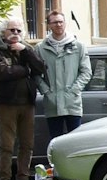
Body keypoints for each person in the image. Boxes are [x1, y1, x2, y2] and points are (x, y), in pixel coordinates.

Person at [0, 15, 47, 180]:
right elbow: (1, 72)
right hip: (7, 104)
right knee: (7, 145)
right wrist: (25, 70)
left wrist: (25, 53)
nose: (16, 33)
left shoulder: (26, 48)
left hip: (27, 103)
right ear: (4, 31)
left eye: (19, 30)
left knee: (27, 144)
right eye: (12, 30)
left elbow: (41, 68)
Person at [37, 10, 91, 142]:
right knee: (55, 141)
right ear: (49, 25)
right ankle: (56, 163)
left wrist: (74, 91)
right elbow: (35, 74)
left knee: (75, 141)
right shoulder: (40, 48)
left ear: (65, 23)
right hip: (52, 103)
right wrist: (46, 91)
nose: (59, 25)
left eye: (61, 22)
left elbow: (86, 72)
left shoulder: (78, 46)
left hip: (72, 103)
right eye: (55, 22)